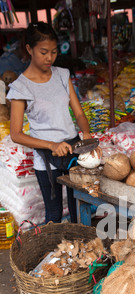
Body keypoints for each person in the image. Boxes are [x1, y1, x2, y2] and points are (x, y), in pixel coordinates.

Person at [7, 22, 99, 224]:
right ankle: (56, 254)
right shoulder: (20, 87)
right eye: (44, 52)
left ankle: (81, 252)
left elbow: (78, 113)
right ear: (29, 49)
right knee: (54, 215)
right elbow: (16, 134)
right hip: (47, 158)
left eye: (54, 52)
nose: (50, 58)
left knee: (79, 208)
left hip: (73, 150)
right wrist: (52, 145)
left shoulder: (61, 75)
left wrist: (87, 135)